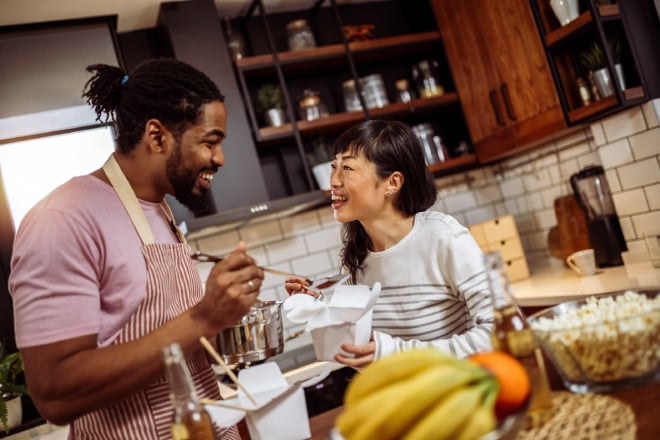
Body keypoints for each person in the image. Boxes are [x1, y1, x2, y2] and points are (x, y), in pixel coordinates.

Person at [8, 59, 264, 439]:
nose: (219, 159)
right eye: (209, 142)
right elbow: (54, 393)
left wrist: (226, 317)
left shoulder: (159, 211)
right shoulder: (62, 219)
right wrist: (203, 318)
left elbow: (173, 345)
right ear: (157, 136)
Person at [286, 120, 493, 369]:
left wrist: (394, 352)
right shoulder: (358, 258)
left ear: (392, 183)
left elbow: (499, 332)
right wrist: (317, 308)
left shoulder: (444, 238)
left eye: (348, 168)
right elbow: (367, 356)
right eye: (334, 167)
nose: (333, 180)